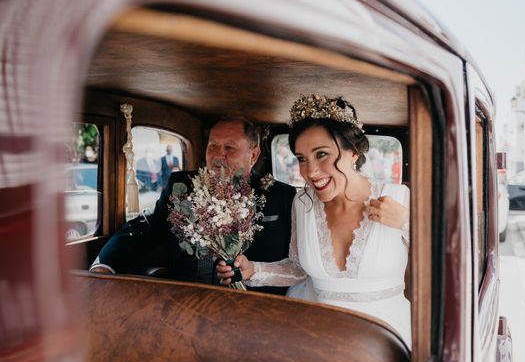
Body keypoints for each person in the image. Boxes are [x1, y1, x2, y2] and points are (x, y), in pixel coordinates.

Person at [217, 95, 411, 346]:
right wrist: (253, 270)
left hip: (388, 341)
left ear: (353, 152)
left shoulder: (398, 198)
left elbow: (453, 264)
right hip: (316, 340)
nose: (310, 171)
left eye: (322, 154)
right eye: (301, 159)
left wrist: (407, 223)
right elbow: (298, 270)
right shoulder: (303, 204)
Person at [91, 117, 296, 295]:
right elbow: (145, 228)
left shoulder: (280, 196)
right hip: (185, 298)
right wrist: (105, 265)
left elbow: (293, 262)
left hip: (253, 307)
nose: (218, 156)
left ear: (254, 155)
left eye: (230, 148)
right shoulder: (181, 186)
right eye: (212, 146)